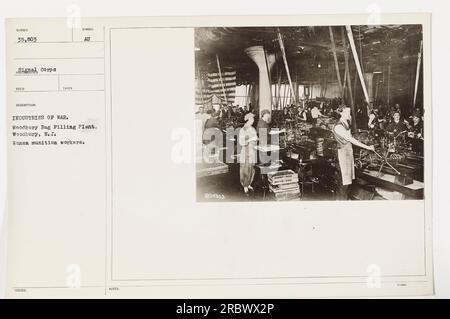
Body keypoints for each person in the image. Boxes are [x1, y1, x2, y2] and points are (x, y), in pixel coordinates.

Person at [333, 107, 375, 200]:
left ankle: (344, 201)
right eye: (346, 112)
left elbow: (351, 136)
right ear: (340, 113)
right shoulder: (338, 126)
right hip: (342, 155)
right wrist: (368, 147)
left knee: (348, 182)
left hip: (348, 153)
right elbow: (351, 139)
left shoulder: (346, 123)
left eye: (349, 112)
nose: (349, 114)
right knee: (343, 184)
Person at [238, 113, 258, 194]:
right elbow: (241, 142)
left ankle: (249, 183)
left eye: (253, 119)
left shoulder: (252, 128)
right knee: (245, 169)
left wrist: (256, 140)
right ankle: (245, 185)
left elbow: (255, 139)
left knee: (252, 169)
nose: (253, 120)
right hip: (246, 151)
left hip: (252, 150)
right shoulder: (243, 129)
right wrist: (251, 139)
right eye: (252, 119)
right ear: (247, 120)